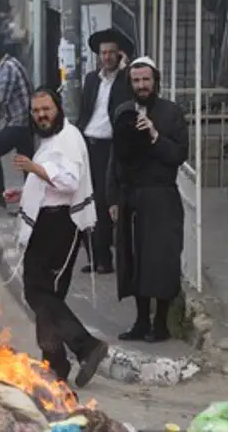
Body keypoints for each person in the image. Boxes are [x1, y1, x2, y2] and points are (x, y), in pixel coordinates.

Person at [5, 87, 108, 387]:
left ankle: (86, 347)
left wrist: (33, 168)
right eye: (36, 111)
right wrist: (24, 192)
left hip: (61, 226)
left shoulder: (69, 138)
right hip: (45, 223)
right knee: (42, 296)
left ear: (58, 108)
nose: (41, 115)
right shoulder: (52, 140)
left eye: (46, 109)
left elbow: (68, 182)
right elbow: (48, 183)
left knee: (41, 294)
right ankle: (55, 365)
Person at [107, 57, 189, 343]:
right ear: (130, 83)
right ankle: (141, 322)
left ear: (155, 82)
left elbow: (179, 154)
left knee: (161, 260)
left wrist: (154, 135)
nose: (142, 86)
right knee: (135, 260)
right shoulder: (123, 111)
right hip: (131, 196)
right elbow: (114, 158)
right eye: (137, 80)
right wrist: (113, 197)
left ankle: (161, 324)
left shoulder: (171, 113)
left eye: (146, 80)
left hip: (161, 195)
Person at [76, 28, 134, 275]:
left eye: (112, 52)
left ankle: (107, 260)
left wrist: (128, 69)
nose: (107, 57)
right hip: (88, 143)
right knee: (84, 201)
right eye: (103, 53)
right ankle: (95, 257)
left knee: (105, 202)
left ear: (119, 55)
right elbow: (85, 111)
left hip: (111, 147)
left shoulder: (126, 80)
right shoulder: (91, 80)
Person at [0, 40, 33, 208]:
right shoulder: (14, 63)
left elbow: (1, 99)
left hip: (18, 122)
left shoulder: (7, 69)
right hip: (25, 121)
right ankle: (32, 196)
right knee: (26, 159)